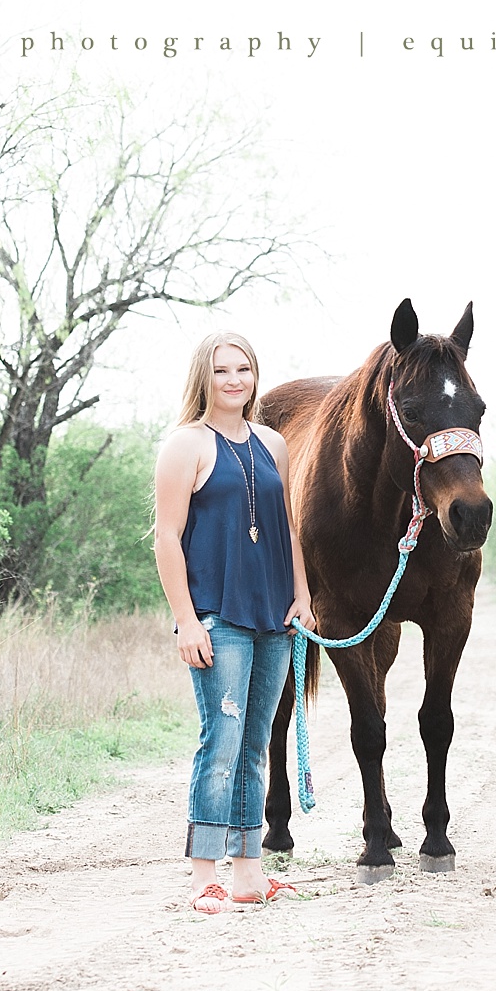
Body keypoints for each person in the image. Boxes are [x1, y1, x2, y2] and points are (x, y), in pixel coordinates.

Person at [153, 331, 315, 914]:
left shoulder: (273, 444)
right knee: (219, 745)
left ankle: (248, 876)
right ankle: (205, 878)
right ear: (205, 376)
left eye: (243, 369)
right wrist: (186, 620)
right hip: (218, 616)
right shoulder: (185, 446)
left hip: (274, 617)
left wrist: (302, 596)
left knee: (254, 748)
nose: (234, 380)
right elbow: (167, 538)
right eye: (222, 370)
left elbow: (288, 528)